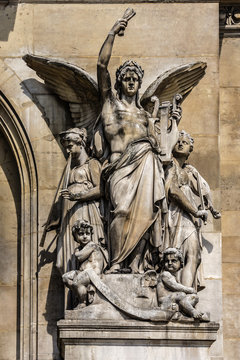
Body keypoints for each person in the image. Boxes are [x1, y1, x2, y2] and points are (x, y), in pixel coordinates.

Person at [95, 16, 170, 273]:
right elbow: (101, 65)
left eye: (135, 78)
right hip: (119, 168)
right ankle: (116, 262)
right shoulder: (110, 105)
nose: (130, 81)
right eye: (126, 77)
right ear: (119, 82)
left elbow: (161, 147)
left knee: (146, 216)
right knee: (122, 210)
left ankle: (136, 265)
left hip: (146, 164)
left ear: (139, 84)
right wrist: (112, 33)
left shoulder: (144, 117)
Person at [164, 130, 221, 289]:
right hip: (177, 215)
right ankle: (185, 293)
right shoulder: (170, 165)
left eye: (185, 142)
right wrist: (195, 211)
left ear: (190, 150)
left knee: (193, 256)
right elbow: (173, 191)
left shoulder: (188, 171)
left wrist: (210, 207)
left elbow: (202, 189)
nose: (181, 143)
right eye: (178, 141)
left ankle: (186, 292)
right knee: (191, 255)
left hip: (186, 217)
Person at [55, 128, 104, 274]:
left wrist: (77, 196)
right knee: (61, 262)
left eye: (70, 146)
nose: (68, 150)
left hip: (86, 211)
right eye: (66, 147)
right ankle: (72, 293)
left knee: (89, 255)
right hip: (69, 215)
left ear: (80, 143)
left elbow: (100, 189)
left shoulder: (92, 164)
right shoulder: (69, 169)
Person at [62, 220, 107, 308]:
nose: (85, 236)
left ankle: (82, 302)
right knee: (65, 277)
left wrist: (77, 252)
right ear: (76, 236)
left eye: (87, 233)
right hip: (84, 272)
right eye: (81, 234)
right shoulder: (80, 248)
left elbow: (80, 257)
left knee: (77, 282)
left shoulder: (92, 245)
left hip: (93, 272)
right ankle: (83, 293)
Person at [157, 248, 209, 321]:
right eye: (167, 261)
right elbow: (175, 286)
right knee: (181, 294)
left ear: (180, 263)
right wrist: (189, 289)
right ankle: (192, 312)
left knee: (194, 297)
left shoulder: (174, 276)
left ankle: (178, 308)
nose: (169, 263)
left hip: (173, 300)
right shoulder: (165, 274)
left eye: (173, 260)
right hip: (164, 301)